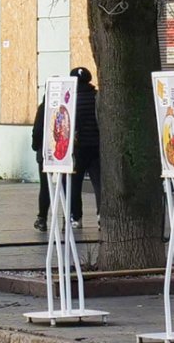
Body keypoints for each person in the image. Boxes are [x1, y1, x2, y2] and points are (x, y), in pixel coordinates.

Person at [69, 67, 102, 229]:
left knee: (75, 184)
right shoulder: (97, 96)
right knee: (99, 183)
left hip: (78, 148)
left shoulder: (71, 99)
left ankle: (76, 217)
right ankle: (101, 215)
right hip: (96, 146)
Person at [31, 96, 48, 230]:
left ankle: (42, 218)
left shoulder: (44, 107)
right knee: (67, 186)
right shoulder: (68, 105)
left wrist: (35, 146)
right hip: (64, 153)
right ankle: (69, 219)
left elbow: (37, 130)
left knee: (45, 186)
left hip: (45, 152)